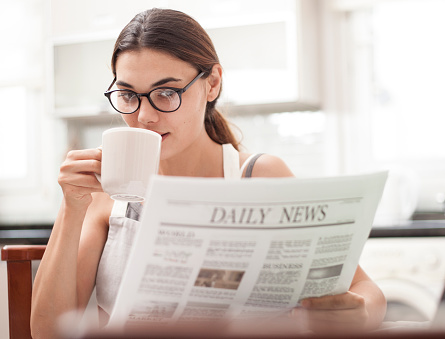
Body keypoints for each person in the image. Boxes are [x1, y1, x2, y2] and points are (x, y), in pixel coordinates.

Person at [31, 8, 386, 338]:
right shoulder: (105, 193)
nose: (144, 117)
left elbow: (368, 293)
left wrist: (358, 314)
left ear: (212, 83)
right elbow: (46, 331)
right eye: (128, 95)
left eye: (167, 93)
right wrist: (71, 207)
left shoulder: (258, 175)